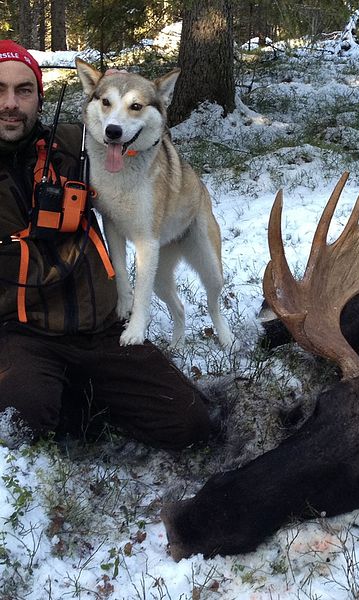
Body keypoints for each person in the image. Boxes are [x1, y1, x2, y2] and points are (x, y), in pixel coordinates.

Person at [0, 40, 216, 449]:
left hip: (101, 330)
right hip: (23, 335)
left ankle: (88, 392)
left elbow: (131, 125)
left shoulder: (77, 145)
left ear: (39, 97)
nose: (11, 103)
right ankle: (67, 399)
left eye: (23, 90)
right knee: (21, 419)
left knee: (190, 426)